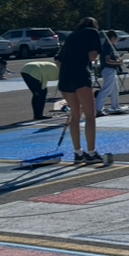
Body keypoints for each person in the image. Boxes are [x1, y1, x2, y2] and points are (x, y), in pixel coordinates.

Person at [56, 17, 103, 165]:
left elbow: (58, 60)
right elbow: (93, 56)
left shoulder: (72, 35)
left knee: (75, 115)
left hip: (65, 76)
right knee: (90, 115)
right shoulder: (92, 32)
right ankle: (91, 152)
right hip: (80, 75)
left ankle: (78, 152)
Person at [94, 30, 123, 117]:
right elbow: (108, 60)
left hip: (111, 70)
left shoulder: (109, 47)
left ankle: (115, 106)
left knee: (115, 89)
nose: (116, 42)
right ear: (113, 38)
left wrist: (117, 59)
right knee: (106, 90)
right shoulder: (107, 47)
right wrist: (118, 63)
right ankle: (98, 109)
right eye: (115, 40)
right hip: (108, 70)